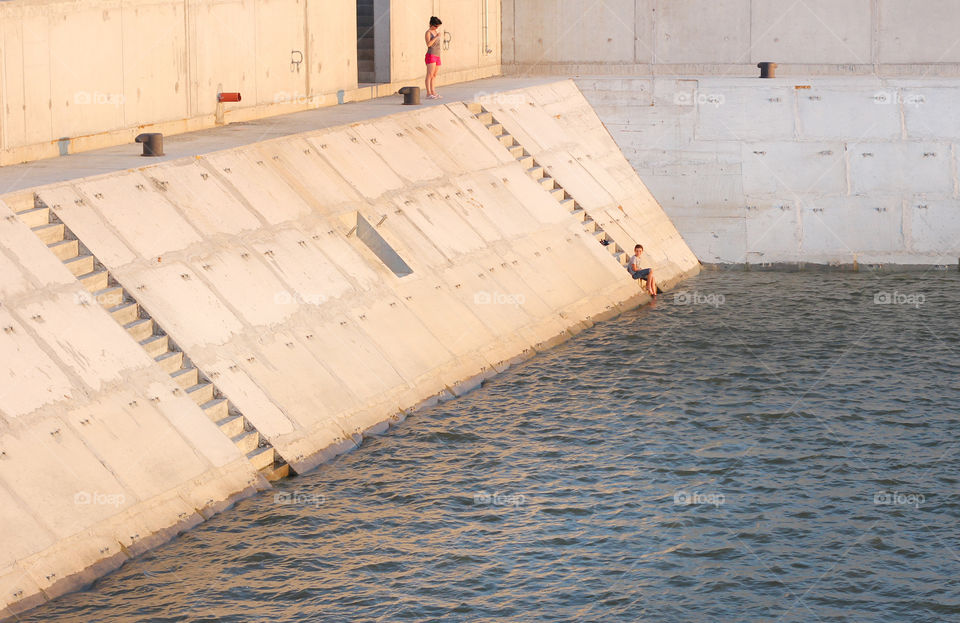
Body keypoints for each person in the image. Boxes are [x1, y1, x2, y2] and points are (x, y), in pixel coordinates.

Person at [424, 17, 443, 100]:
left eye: (438, 27)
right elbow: (429, 44)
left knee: (434, 75)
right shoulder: (428, 33)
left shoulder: (436, 32)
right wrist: (436, 37)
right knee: (430, 74)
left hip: (437, 55)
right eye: (436, 26)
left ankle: (433, 92)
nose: (437, 28)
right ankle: (428, 93)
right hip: (431, 55)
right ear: (432, 25)